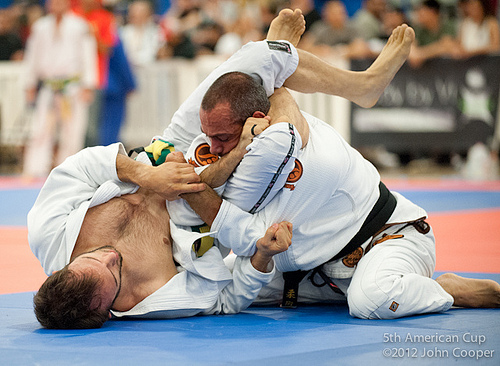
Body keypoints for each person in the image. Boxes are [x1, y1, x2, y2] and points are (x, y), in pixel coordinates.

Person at [22, 0, 97, 178]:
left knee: (72, 130)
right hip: (48, 86)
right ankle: (35, 168)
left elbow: (89, 55)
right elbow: (32, 56)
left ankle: (69, 171)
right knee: (40, 128)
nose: (55, 4)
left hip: (72, 86)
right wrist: (29, 82)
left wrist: (89, 84)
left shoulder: (80, 25)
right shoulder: (40, 26)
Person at [407, 0, 457, 68]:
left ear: (432, 11)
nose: (418, 14)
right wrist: (437, 48)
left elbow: (448, 46)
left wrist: (421, 54)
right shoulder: (418, 29)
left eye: (421, 10)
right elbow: (413, 55)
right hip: (426, 74)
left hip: (448, 70)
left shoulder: (448, 25)